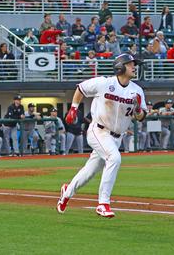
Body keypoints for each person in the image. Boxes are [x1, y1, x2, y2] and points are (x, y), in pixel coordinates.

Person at [56, 54, 147, 218]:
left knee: (89, 171)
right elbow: (81, 88)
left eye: (135, 64)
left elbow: (140, 117)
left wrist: (138, 109)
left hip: (117, 137)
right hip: (98, 130)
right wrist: (73, 108)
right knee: (114, 158)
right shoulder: (104, 83)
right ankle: (103, 203)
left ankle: (66, 192)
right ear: (120, 66)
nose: (134, 67)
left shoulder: (137, 90)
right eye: (130, 64)